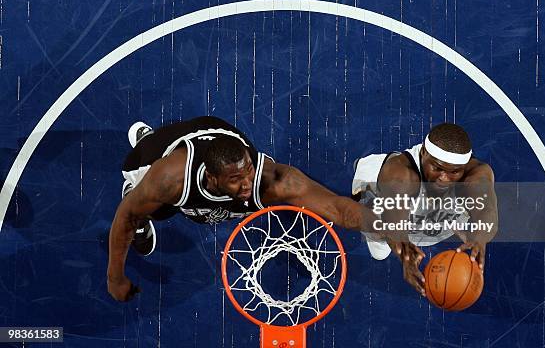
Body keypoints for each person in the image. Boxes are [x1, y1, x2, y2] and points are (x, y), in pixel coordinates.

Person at [107, 116, 419, 301]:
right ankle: (143, 157)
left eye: (248, 171)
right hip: (162, 157)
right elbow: (123, 218)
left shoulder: (270, 180)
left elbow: (340, 210)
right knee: (153, 208)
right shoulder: (171, 179)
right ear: (213, 179)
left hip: (216, 136)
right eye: (235, 180)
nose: (247, 185)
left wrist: (396, 238)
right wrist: (115, 279)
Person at [352, 123, 498, 295]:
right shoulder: (400, 175)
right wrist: (404, 254)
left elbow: (487, 212)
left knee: (473, 201)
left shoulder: (476, 175)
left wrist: (480, 238)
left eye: (454, 172)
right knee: (379, 242)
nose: (444, 178)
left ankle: (437, 211)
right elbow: (393, 223)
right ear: (423, 152)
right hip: (384, 191)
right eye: (437, 168)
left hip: (424, 201)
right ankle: (368, 169)